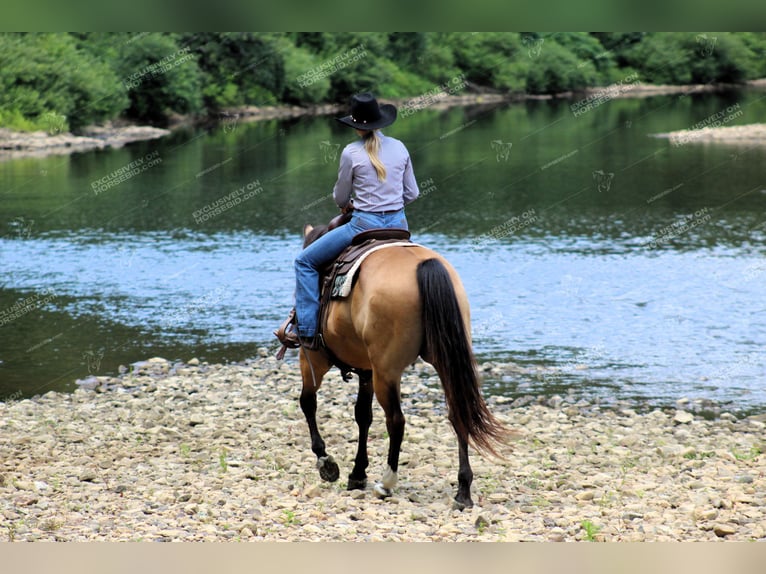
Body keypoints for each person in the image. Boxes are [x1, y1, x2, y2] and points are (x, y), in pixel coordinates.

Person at [287, 92, 420, 350]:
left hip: (363, 226)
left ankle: (306, 332)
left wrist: (349, 204)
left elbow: (340, 194)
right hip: (399, 227)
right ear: (380, 122)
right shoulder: (400, 147)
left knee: (304, 262)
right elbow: (412, 193)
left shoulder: (351, 152)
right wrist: (390, 204)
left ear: (356, 126)